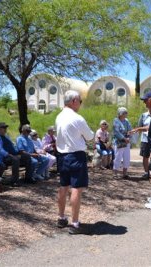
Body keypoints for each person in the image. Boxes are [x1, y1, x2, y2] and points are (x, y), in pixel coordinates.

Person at [55, 90, 94, 234]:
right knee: (76, 188)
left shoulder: (58, 117)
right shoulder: (77, 118)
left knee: (63, 186)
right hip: (76, 155)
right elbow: (89, 137)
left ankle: (61, 217)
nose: (80, 104)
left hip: (62, 156)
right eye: (80, 101)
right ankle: (75, 223)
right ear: (73, 101)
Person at [112, 107, 133, 179]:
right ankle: (115, 173)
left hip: (127, 142)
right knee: (118, 157)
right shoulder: (116, 121)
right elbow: (116, 132)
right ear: (120, 114)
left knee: (127, 157)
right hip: (119, 142)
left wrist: (129, 136)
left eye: (126, 112)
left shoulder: (127, 121)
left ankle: (125, 173)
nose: (125, 114)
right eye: (124, 112)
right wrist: (124, 138)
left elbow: (130, 129)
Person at [134, 109, 151, 179]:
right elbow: (139, 126)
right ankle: (146, 173)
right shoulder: (143, 115)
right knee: (145, 156)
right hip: (145, 139)